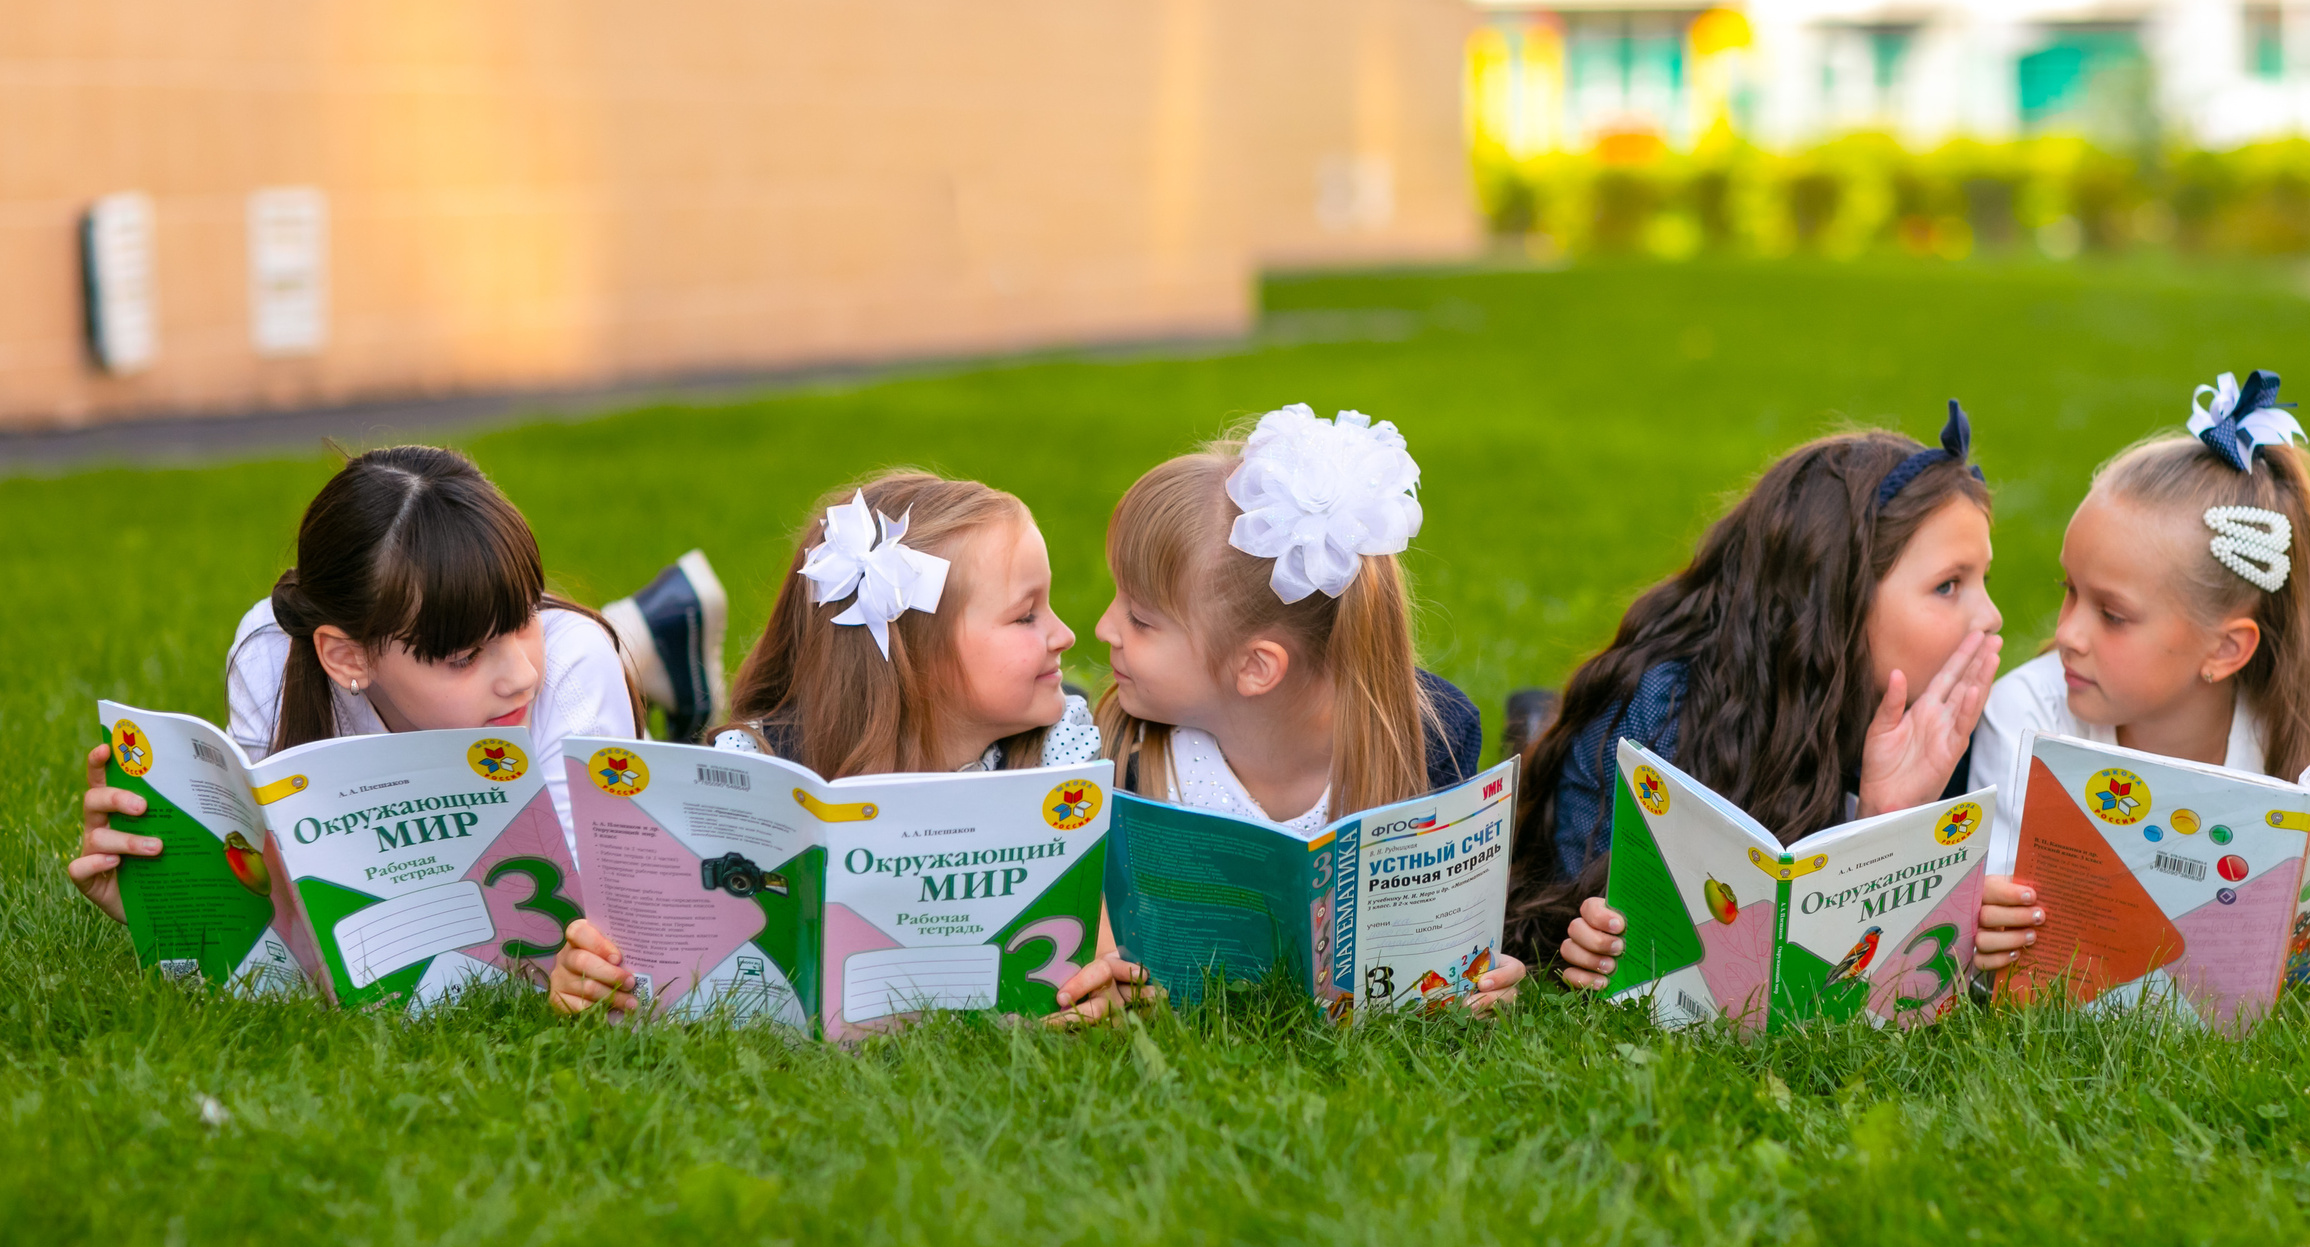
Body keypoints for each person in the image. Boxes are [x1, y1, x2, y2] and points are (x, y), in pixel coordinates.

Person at [548, 469, 1147, 1022]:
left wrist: (1103, 987)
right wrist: (592, 974)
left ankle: (663, 652)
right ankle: (660, 656)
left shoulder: (1056, 755)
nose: (1064, 633)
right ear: (918, 659)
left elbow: (1091, 952)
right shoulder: (760, 771)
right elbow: (659, 952)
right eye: (1026, 617)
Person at [1970, 371, 2310, 974]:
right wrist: (1981, 924)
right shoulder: (2024, 716)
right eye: (2069, 591)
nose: (2067, 634)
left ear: (2226, 650)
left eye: (2112, 614)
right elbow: (1992, 929)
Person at [1522, 405, 2004, 983]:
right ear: (1836, 601)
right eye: (1948, 585)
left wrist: (1885, 819)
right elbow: (1593, 922)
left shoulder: (1954, 725)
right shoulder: (1661, 713)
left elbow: (1856, 975)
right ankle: (1532, 723)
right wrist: (1593, 936)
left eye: (1984, 579)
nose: (1991, 616)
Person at [71, 444, 645, 923]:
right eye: (464, 656)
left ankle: (649, 638)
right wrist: (168, 908)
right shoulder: (272, 660)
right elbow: (274, 905)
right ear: (347, 657)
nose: (521, 675)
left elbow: (592, 916)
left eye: (524, 620)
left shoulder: (568, 664)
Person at [1091, 404, 1525, 1011]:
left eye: (1139, 619)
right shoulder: (1121, 750)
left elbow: (1454, 935)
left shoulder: (1428, 736)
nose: (1103, 627)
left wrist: (1484, 977)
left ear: (1255, 667)